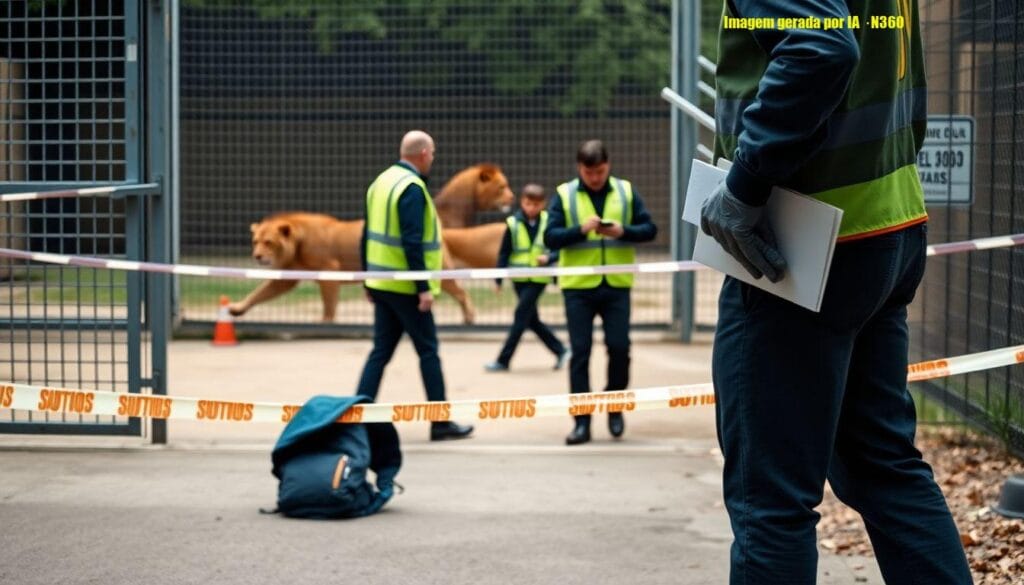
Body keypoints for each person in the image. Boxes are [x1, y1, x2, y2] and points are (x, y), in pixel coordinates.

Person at [703, 1, 972, 583]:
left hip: (804, 243)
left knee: (770, 501)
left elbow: (821, 47)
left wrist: (745, 184)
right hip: (888, 220)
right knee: (883, 466)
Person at [356, 130, 473, 442]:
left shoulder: (381, 182)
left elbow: (366, 234)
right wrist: (423, 286)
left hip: (382, 282)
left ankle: (357, 415)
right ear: (423, 154)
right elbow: (412, 241)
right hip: (405, 288)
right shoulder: (411, 187)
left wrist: (367, 277)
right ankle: (440, 421)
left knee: (380, 352)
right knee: (428, 351)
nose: (433, 158)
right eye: (432, 153)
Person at [544, 140, 657, 445]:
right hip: (578, 287)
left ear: (608, 165)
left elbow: (650, 229)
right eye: (589, 172)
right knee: (580, 352)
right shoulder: (564, 194)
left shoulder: (626, 191)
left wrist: (623, 231)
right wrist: (580, 230)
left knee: (619, 348)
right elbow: (550, 237)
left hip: (616, 285)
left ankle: (614, 406)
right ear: (579, 168)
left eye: (600, 171)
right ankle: (581, 422)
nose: (595, 177)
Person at [484, 184, 569, 372]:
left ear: (543, 204)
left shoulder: (549, 222)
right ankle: (561, 350)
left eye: (536, 204)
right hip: (519, 278)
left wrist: (549, 258)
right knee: (531, 319)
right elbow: (504, 253)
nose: (531, 208)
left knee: (520, 316)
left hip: (539, 278)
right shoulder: (512, 223)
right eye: (528, 203)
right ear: (522, 202)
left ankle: (503, 360)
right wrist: (498, 279)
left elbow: (559, 249)